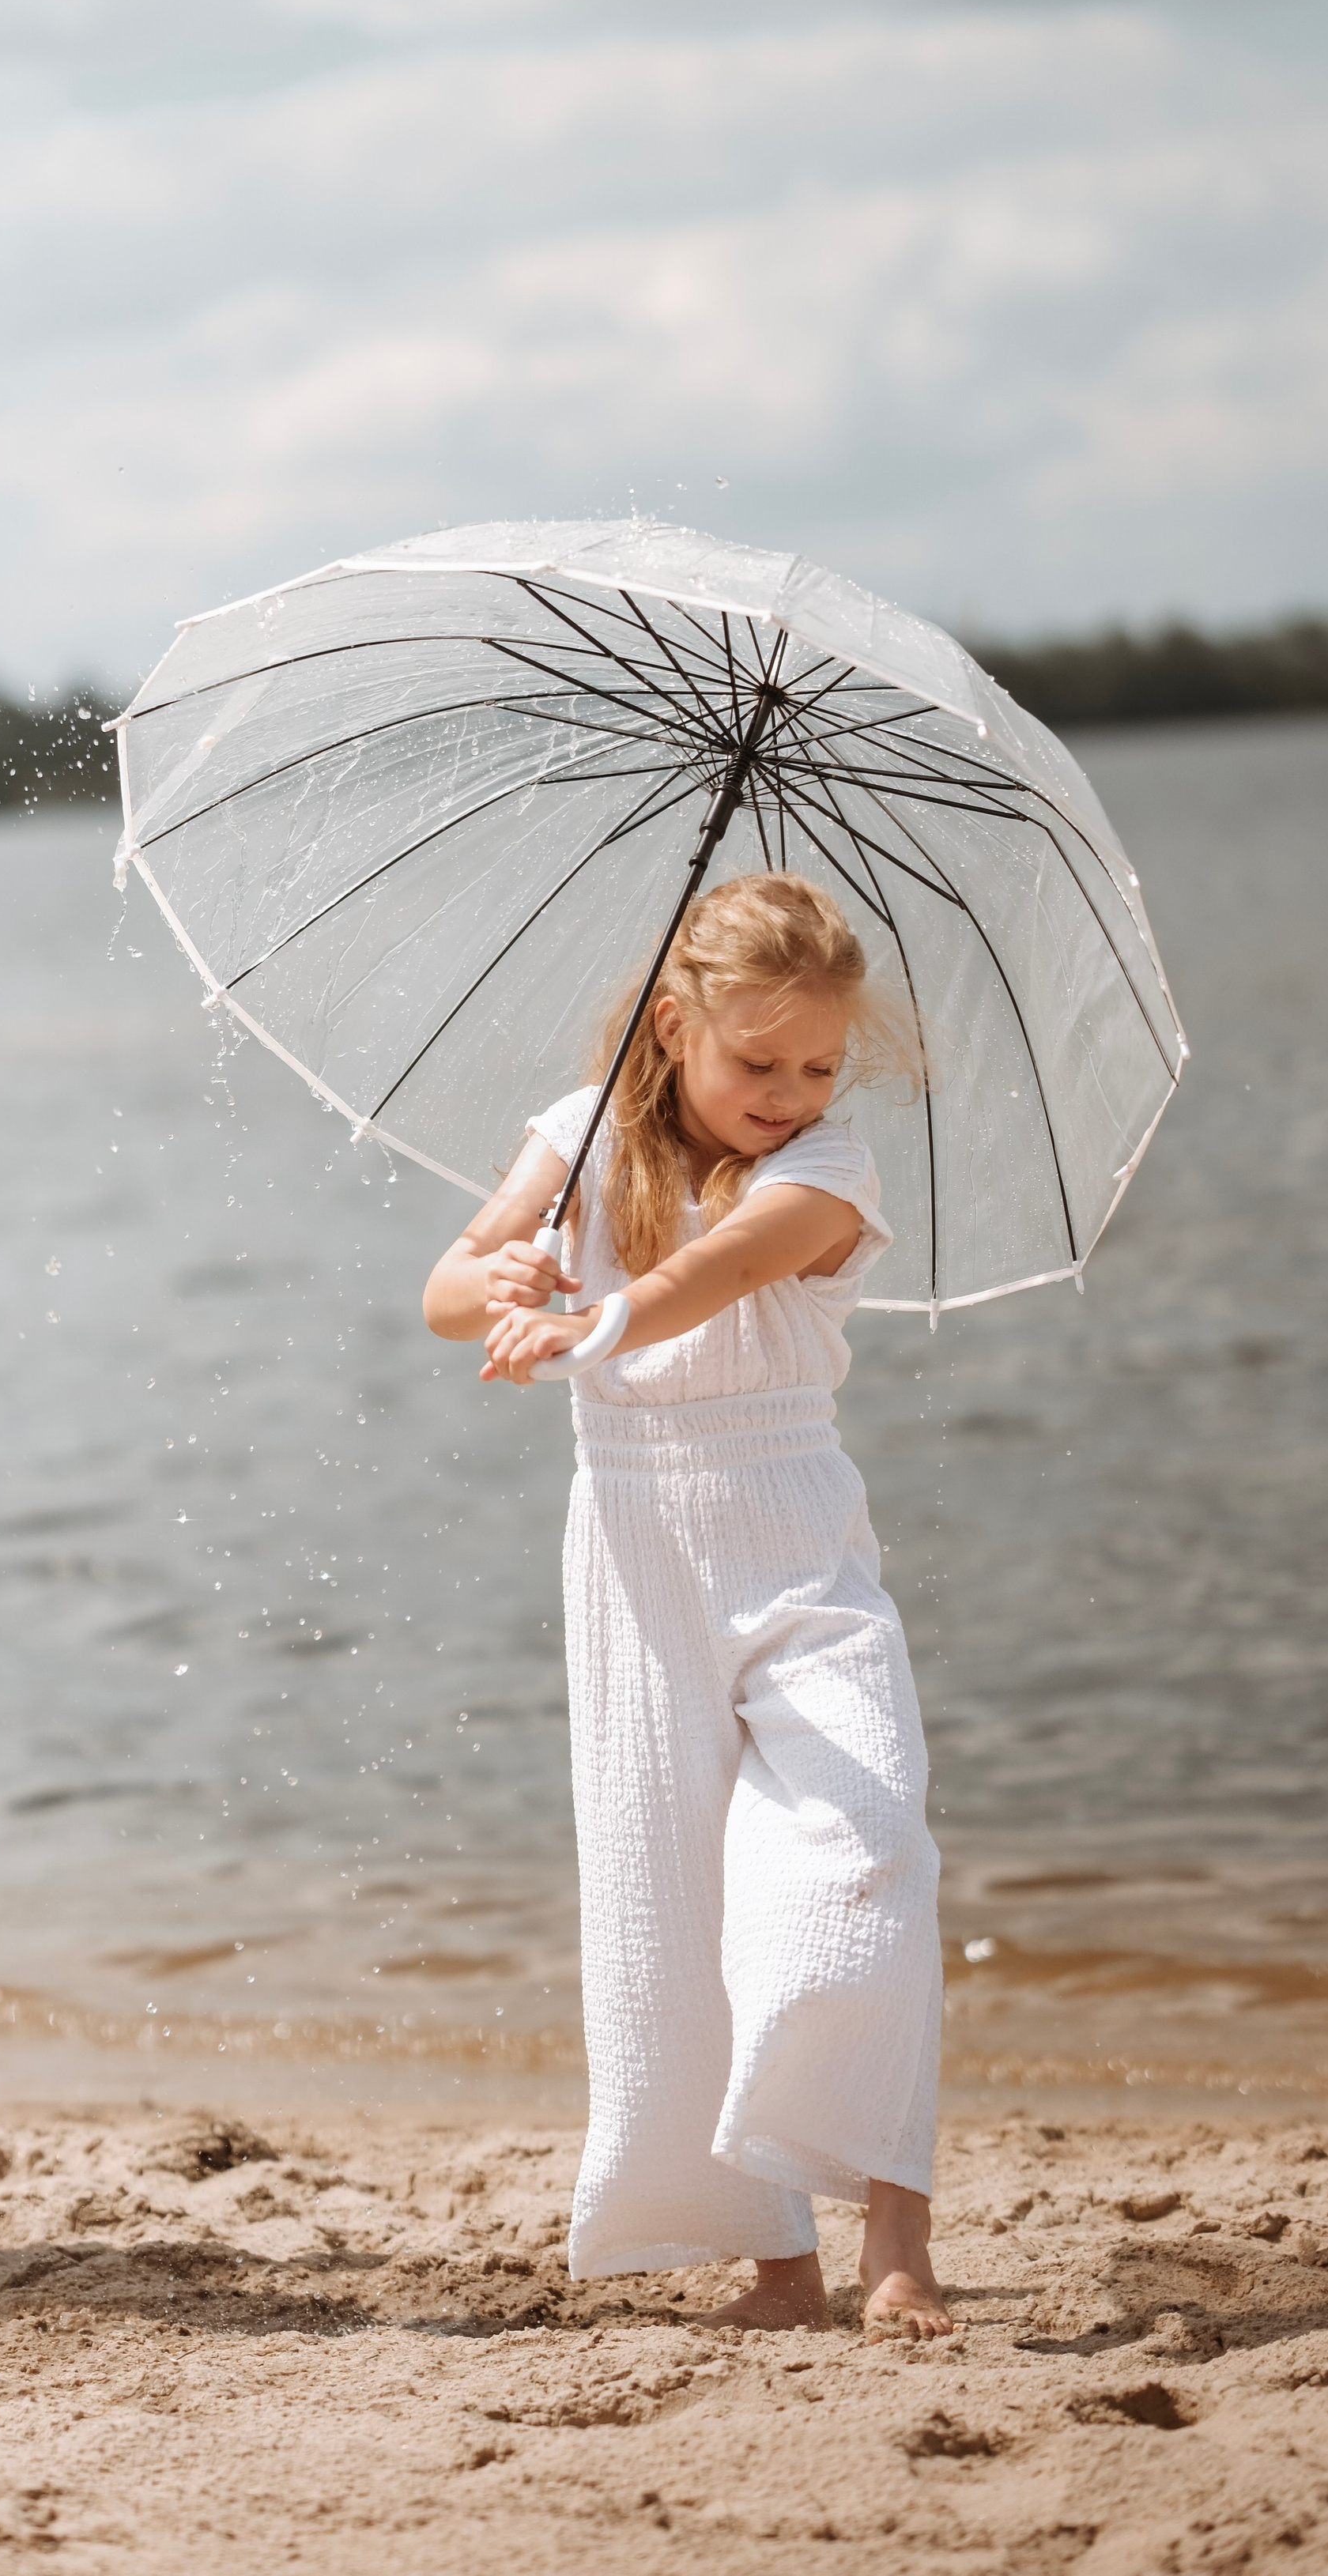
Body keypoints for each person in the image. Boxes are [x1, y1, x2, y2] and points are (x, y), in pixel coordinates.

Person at [421, 872, 949, 2339]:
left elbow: (721, 1269)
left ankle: (896, 2225)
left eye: (820, 1064)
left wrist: (591, 1312)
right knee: (667, 1891)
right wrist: (502, 1271)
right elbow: (442, 1295)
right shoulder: (575, 1132)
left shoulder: (830, 1168)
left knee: (866, 1843)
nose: (791, 1091)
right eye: (757, 1060)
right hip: (634, 1542)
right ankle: (775, 2259)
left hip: (793, 1541)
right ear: (674, 1024)